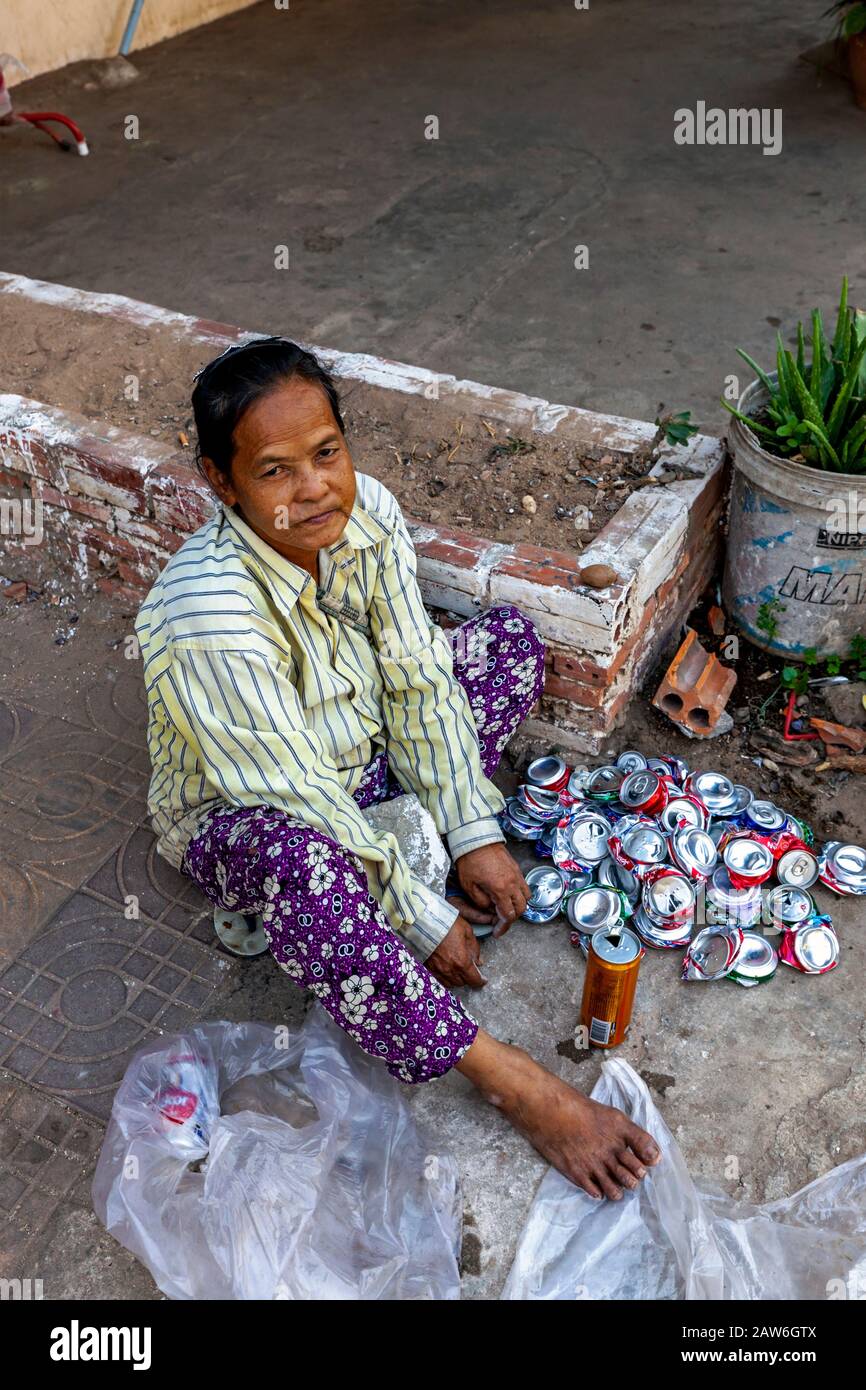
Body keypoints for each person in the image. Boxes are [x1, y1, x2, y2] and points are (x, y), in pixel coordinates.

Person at [135, 337, 660, 1200]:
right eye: (274, 471)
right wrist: (418, 916)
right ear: (221, 482)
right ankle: (510, 1078)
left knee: (503, 647)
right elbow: (297, 796)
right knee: (302, 866)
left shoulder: (364, 514)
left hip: (361, 760)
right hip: (255, 813)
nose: (315, 490)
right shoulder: (206, 615)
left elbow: (416, 677)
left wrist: (472, 832)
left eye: (327, 453)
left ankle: (389, 860)